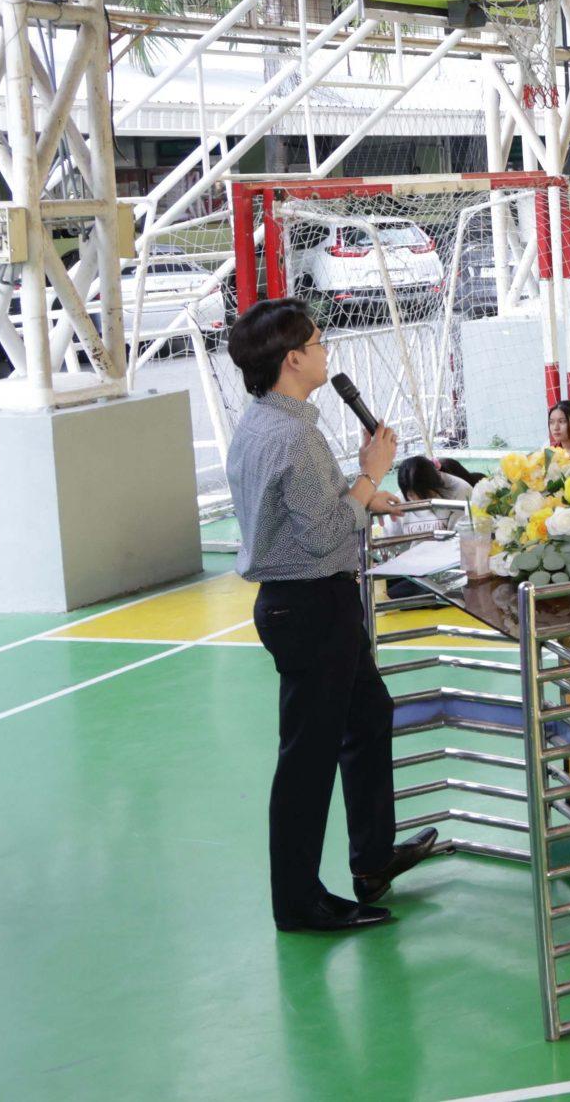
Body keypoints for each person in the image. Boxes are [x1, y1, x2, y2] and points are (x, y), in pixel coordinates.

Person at [223, 297, 438, 934]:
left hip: (303, 603)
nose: (325, 353)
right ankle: (298, 902)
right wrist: (368, 478)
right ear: (292, 359)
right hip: (311, 603)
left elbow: (304, 507)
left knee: (368, 715)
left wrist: (364, 495)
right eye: (317, 343)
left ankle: (373, 858)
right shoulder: (295, 434)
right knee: (307, 761)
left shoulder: (262, 423)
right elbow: (320, 535)